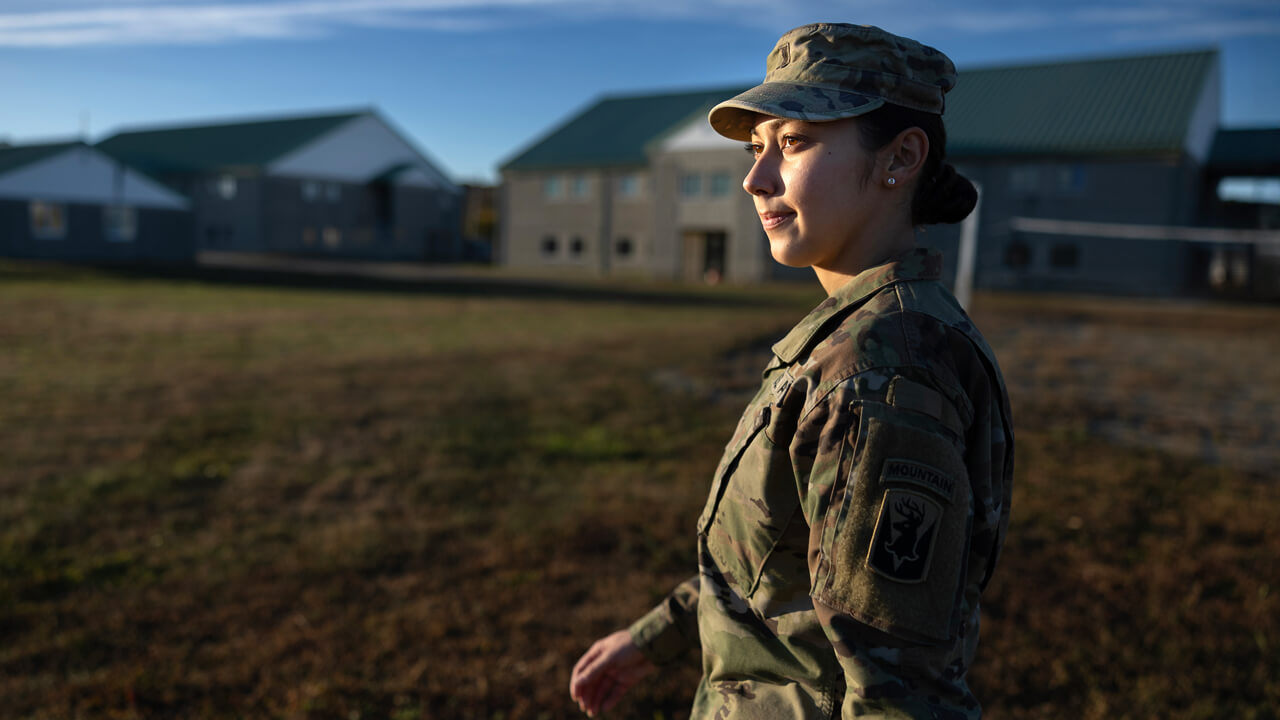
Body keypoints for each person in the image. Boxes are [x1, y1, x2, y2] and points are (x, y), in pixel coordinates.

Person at [570, 22, 1014, 719]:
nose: (755, 178)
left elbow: (901, 695)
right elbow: (781, 558)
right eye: (757, 148)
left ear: (900, 158)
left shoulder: (879, 373)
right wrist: (654, 635)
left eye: (796, 143)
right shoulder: (858, 337)